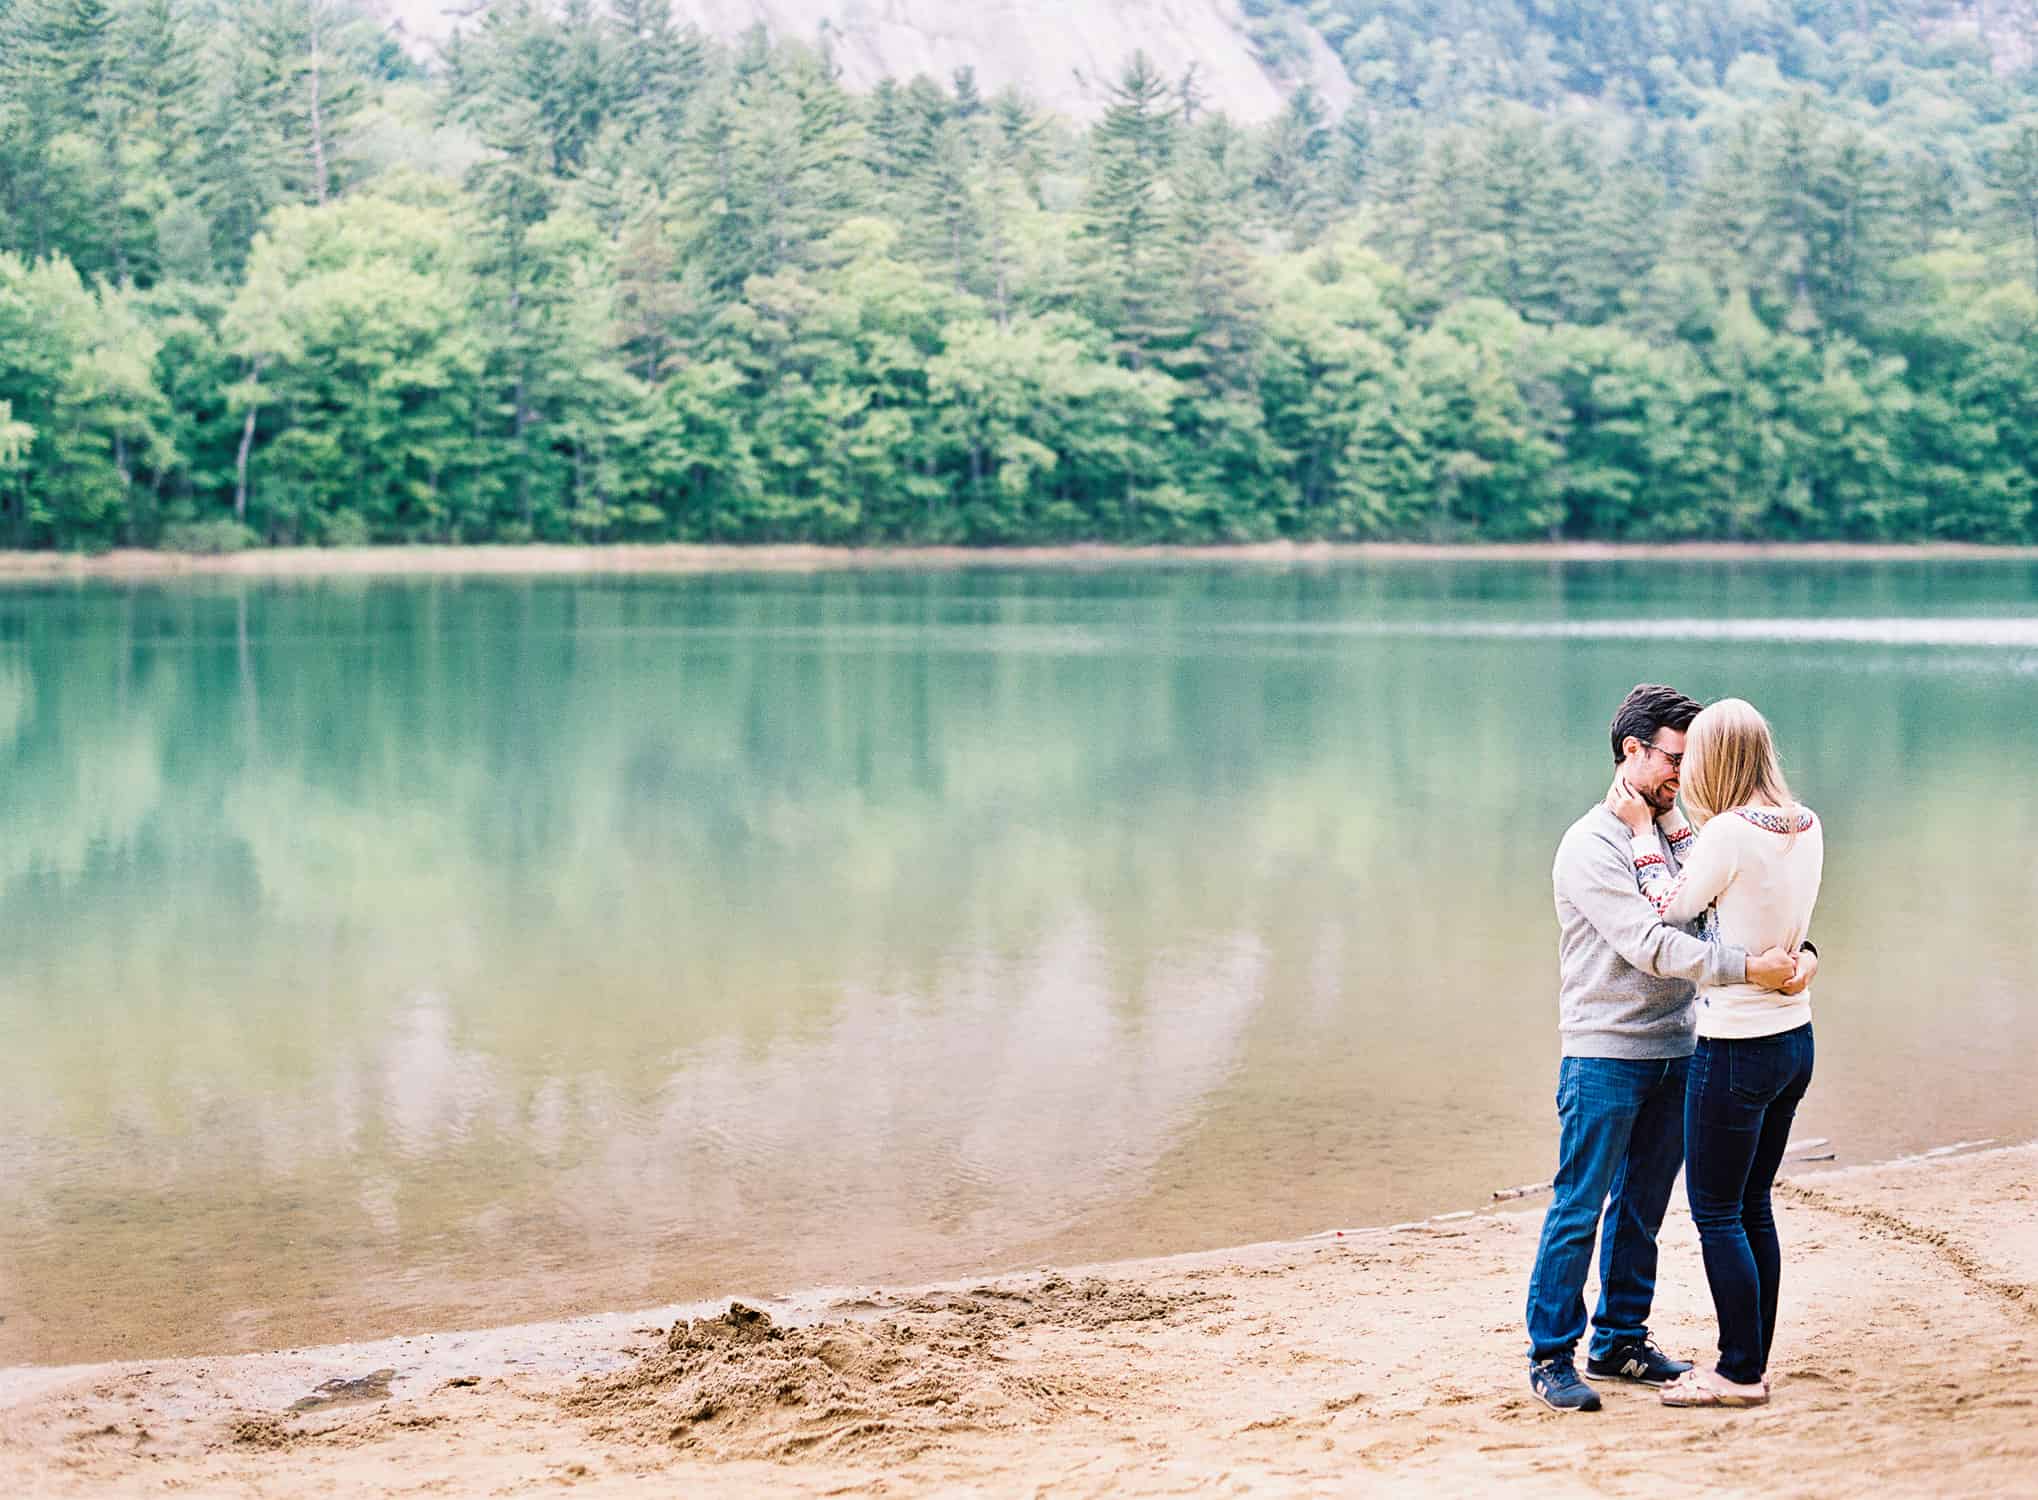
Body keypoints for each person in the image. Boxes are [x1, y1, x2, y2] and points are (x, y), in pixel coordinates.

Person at [1526, 684, 1815, 1415]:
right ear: (1632, 752)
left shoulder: (1683, 834)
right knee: (1578, 1206)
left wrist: (1798, 949)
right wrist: (1751, 970)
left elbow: (1731, 916)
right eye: (1674, 761)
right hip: (1606, 1050)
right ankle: (1552, 1354)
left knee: (1644, 1208)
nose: (1684, 779)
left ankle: (1620, 1337)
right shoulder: (1590, 845)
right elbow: (1654, 944)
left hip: (1683, 1044)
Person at [1611, 697, 1823, 1409]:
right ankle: (1751, 1360)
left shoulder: (1728, 833)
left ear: (1715, 759)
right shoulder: (1804, 822)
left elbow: (1667, 904)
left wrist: (1643, 830)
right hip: (1795, 1037)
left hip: (1738, 1046)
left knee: (1718, 1213)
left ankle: (1737, 1373)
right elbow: (1767, 910)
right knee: (1753, 1204)